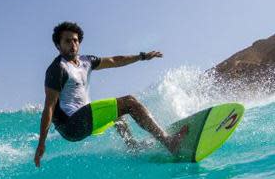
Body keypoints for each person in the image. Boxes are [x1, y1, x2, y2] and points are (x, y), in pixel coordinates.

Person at [34, 21, 188, 167]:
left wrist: (141, 56)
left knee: (117, 113)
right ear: (58, 45)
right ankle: (169, 143)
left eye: (75, 40)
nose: (72, 45)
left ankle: (132, 146)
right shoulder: (57, 69)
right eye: (67, 41)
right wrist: (42, 143)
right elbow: (49, 107)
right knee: (129, 102)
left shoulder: (86, 61)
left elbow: (115, 60)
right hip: (71, 126)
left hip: (84, 119)